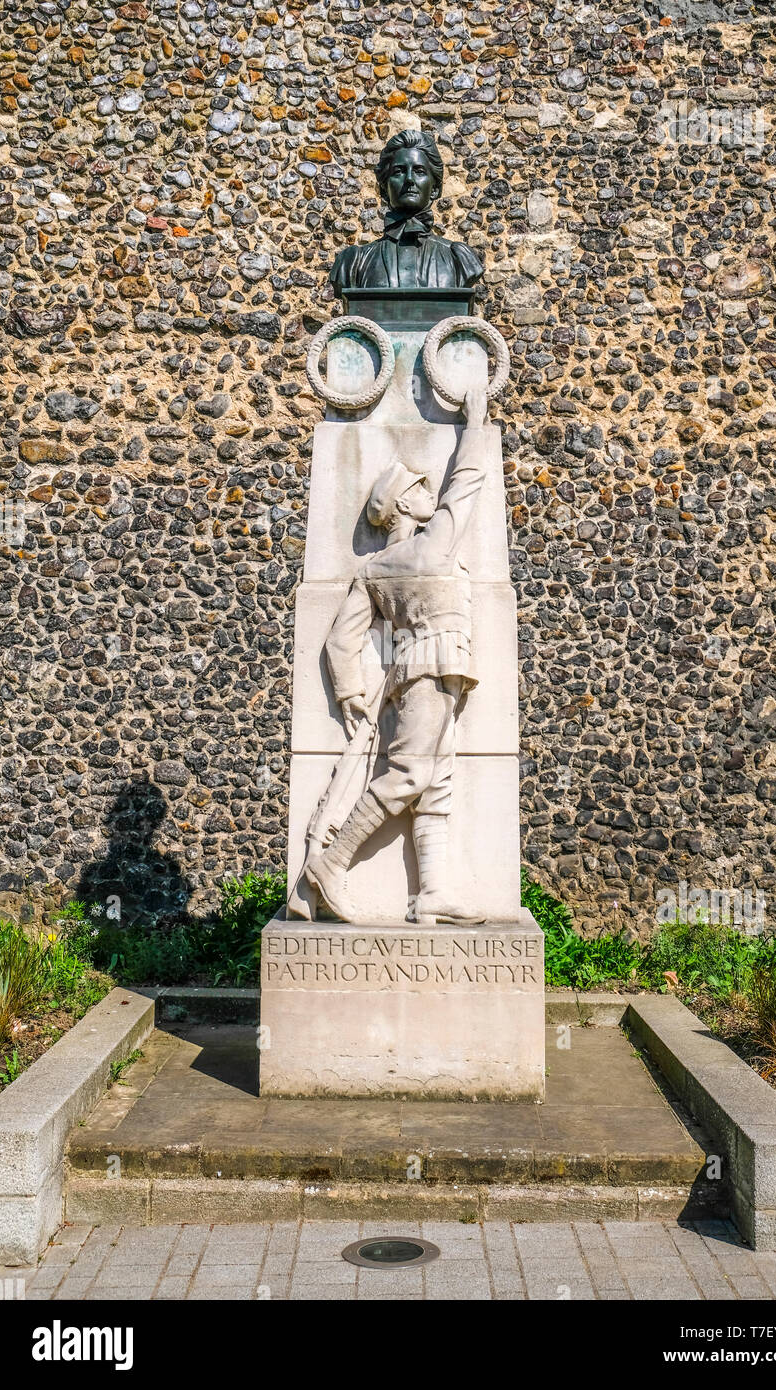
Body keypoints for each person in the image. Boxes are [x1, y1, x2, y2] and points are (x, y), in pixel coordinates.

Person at [306, 386, 489, 925]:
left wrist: (351, 693)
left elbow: (342, 638)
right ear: (404, 503)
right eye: (419, 487)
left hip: (427, 671)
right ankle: (329, 864)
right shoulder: (433, 546)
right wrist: (474, 423)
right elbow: (467, 483)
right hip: (432, 668)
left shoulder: (374, 569)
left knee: (437, 781)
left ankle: (431, 893)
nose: (430, 492)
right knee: (410, 774)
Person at [329, 130, 483, 295]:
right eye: (399, 171)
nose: (409, 179)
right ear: (384, 189)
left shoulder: (460, 260)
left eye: (419, 171)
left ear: (435, 189)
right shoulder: (354, 262)